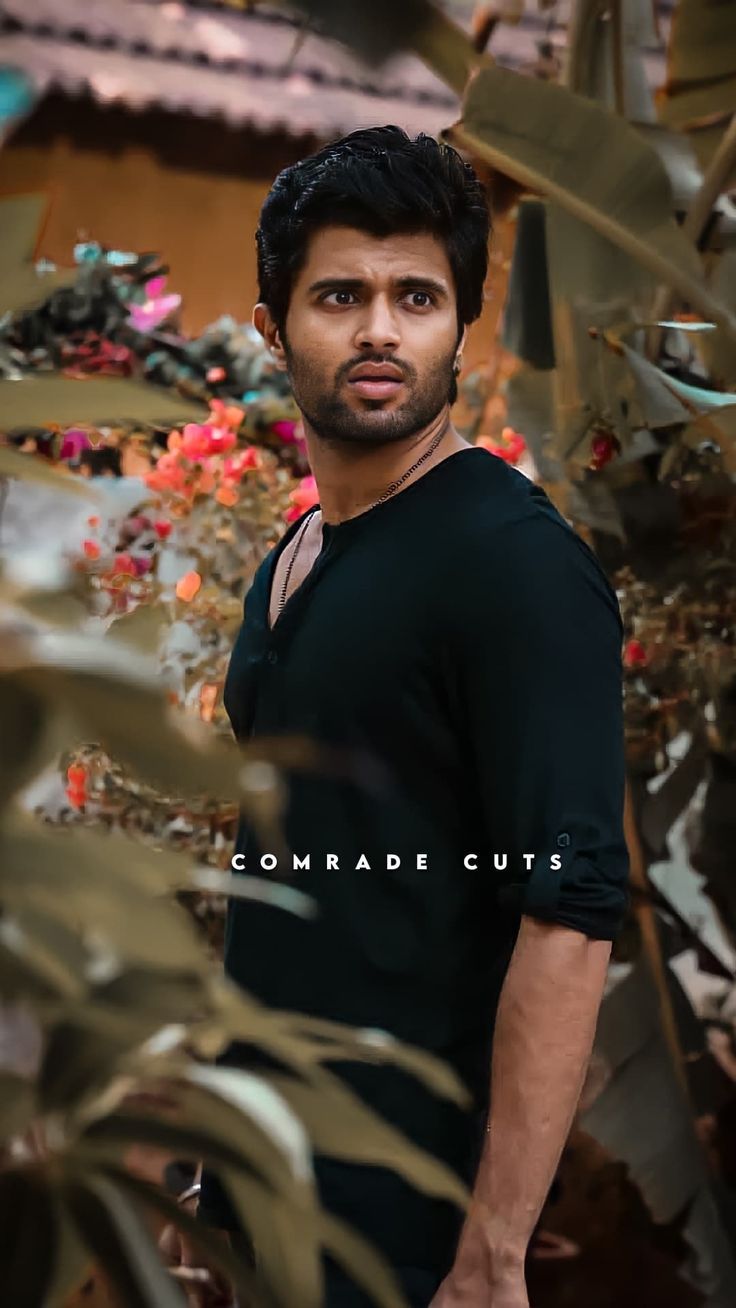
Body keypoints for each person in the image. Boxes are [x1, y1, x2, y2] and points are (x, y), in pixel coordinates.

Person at [167, 125, 630, 1307]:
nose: (380, 327)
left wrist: (490, 1258)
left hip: (406, 1230)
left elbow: (568, 917)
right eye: (340, 295)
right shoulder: (300, 551)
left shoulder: (513, 566)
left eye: (416, 296)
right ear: (273, 327)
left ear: (457, 325)